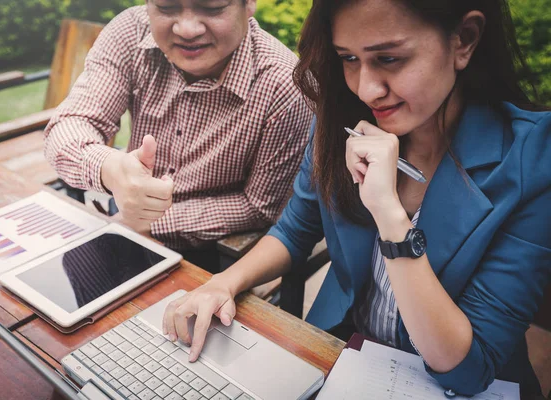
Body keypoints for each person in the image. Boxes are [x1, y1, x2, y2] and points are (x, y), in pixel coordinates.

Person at [162, 0, 551, 397]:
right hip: (344, 355)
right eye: (348, 58)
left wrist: (389, 214)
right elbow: (296, 230)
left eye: (389, 58)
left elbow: (468, 369)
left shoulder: (532, 157)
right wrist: (223, 283)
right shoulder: (341, 118)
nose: (367, 89)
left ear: (464, 40)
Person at [44, 0, 313, 272]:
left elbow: (259, 207)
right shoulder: (130, 31)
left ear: (249, 4)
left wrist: (150, 221)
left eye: (212, 8)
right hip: (121, 212)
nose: (187, 29)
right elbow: (71, 123)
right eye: (167, 6)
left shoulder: (286, 87)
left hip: (213, 253)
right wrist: (108, 168)